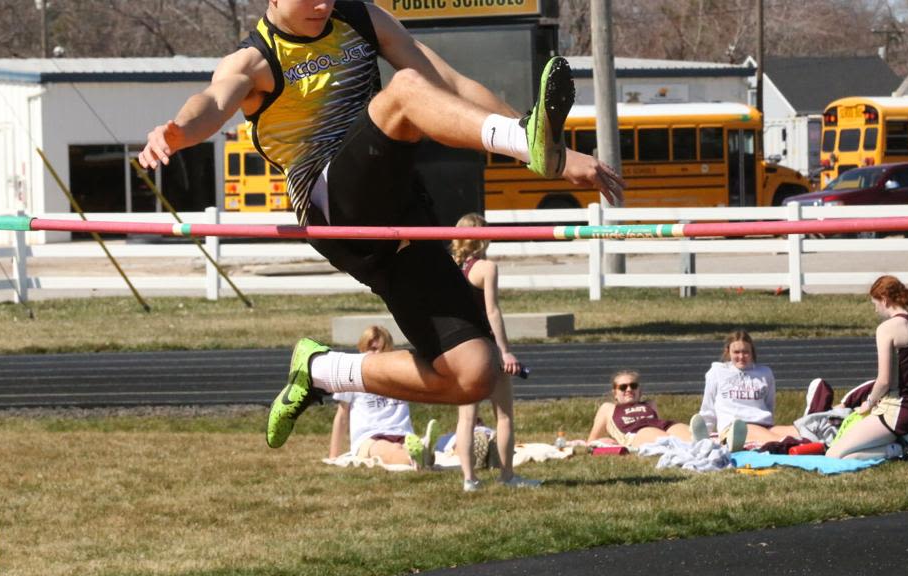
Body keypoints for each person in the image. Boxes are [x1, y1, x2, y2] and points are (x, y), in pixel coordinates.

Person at [137, 0, 625, 450]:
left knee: (473, 373)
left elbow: (450, 82)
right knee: (406, 92)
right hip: (333, 206)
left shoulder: (361, 18)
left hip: (401, 217)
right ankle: (527, 142)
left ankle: (323, 368)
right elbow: (212, 102)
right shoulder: (253, 60)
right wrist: (177, 132)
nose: (324, 6)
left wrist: (547, 155)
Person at [450, 213, 539, 490]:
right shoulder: (486, 268)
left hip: (460, 347)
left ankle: (469, 479)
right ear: (481, 237)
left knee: (466, 418)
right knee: (504, 415)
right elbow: (492, 311)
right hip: (486, 346)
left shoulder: (449, 268)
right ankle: (507, 476)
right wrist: (505, 352)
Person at [827, 276, 908, 462]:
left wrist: (869, 403)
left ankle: (902, 449)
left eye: (875, 303)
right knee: (852, 455)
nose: (875, 309)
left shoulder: (887, 328)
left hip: (897, 411)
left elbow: (884, 381)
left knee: (834, 455)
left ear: (885, 300)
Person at [327, 326, 436, 468]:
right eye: (371, 349)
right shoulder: (351, 376)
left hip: (402, 433)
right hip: (369, 438)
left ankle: (423, 453)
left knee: (411, 449)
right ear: (361, 349)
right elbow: (342, 416)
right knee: (390, 451)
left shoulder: (401, 374)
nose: (377, 353)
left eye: (382, 349)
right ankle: (417, 456)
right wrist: (333, 455)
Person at [691, 330, 798, 451]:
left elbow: (769, 406)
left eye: (745, 352)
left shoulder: (765, 373)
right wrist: (703, 437)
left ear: (752, 352)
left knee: (798, 432)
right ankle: (737, 442)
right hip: (735, 428)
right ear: (728, 352)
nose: (741, 357)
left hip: (764, 425)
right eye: (736, 352)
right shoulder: (716, 373)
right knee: (777, 440)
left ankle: (816, 443)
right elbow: (708, 409)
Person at [587, 370, 694, 447]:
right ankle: (681, 447)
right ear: (615, 393)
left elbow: (659, 422)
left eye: (633, 386)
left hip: (662, 426)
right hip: (635, 432)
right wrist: (601, 441)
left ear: (640, 390)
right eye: (623, 387)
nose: (629, 389)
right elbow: (592, 440)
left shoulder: (649, 404)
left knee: (689, 435)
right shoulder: (608, 408)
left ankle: (701, 442)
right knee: (666, 439)